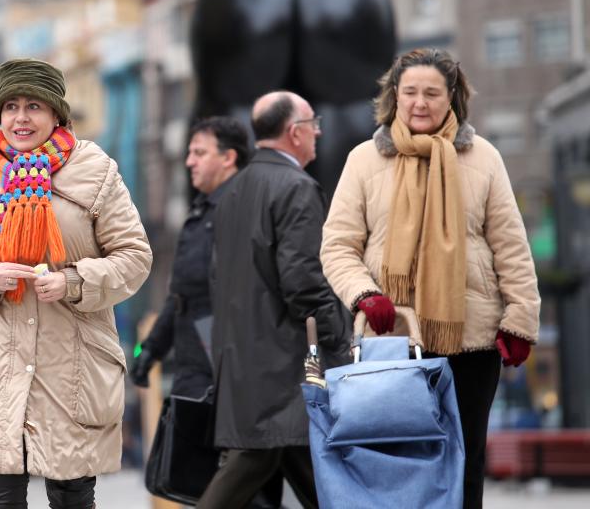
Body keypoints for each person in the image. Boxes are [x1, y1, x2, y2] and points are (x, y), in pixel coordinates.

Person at [321, 47, 540, 509]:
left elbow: (511, 247)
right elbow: (338, 245)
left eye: (432, 93)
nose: (420, 103)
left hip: (471, 338)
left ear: (452, 98)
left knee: (465, 459)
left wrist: (520, 319)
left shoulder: (483, 158)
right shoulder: (364, 160)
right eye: (410, 93)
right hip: (391, 337)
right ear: (394, 97)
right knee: (396, 458)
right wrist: (365, 295)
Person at [0, 57, 152, 509]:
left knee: (71, 498)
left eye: (33, 106)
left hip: (73, 368)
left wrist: (74, 281)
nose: (21, 118)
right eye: (10, 106)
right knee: (2, 500)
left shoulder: (96, 170)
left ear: (56, 115)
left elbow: (135, 257)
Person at [197, 91, 350, 509]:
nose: (318, 131)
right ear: (293, 132)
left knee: (310, 472)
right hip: (286, 365)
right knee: (270, 461)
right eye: (312, 123)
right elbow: (303, 280)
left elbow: (218, 278)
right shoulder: (296, 187)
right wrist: (339, 342)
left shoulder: (232, 191)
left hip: (243, 361)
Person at [129, 117, 283, 508]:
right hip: (198, 371)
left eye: (200, 152)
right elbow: (181, 295)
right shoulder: (201, 213)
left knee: (245, 479)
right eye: (189, 153)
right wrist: (149, 350)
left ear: (229, 157)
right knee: (210, 480)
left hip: (234, 370)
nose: (189, 162)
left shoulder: (245, 209)